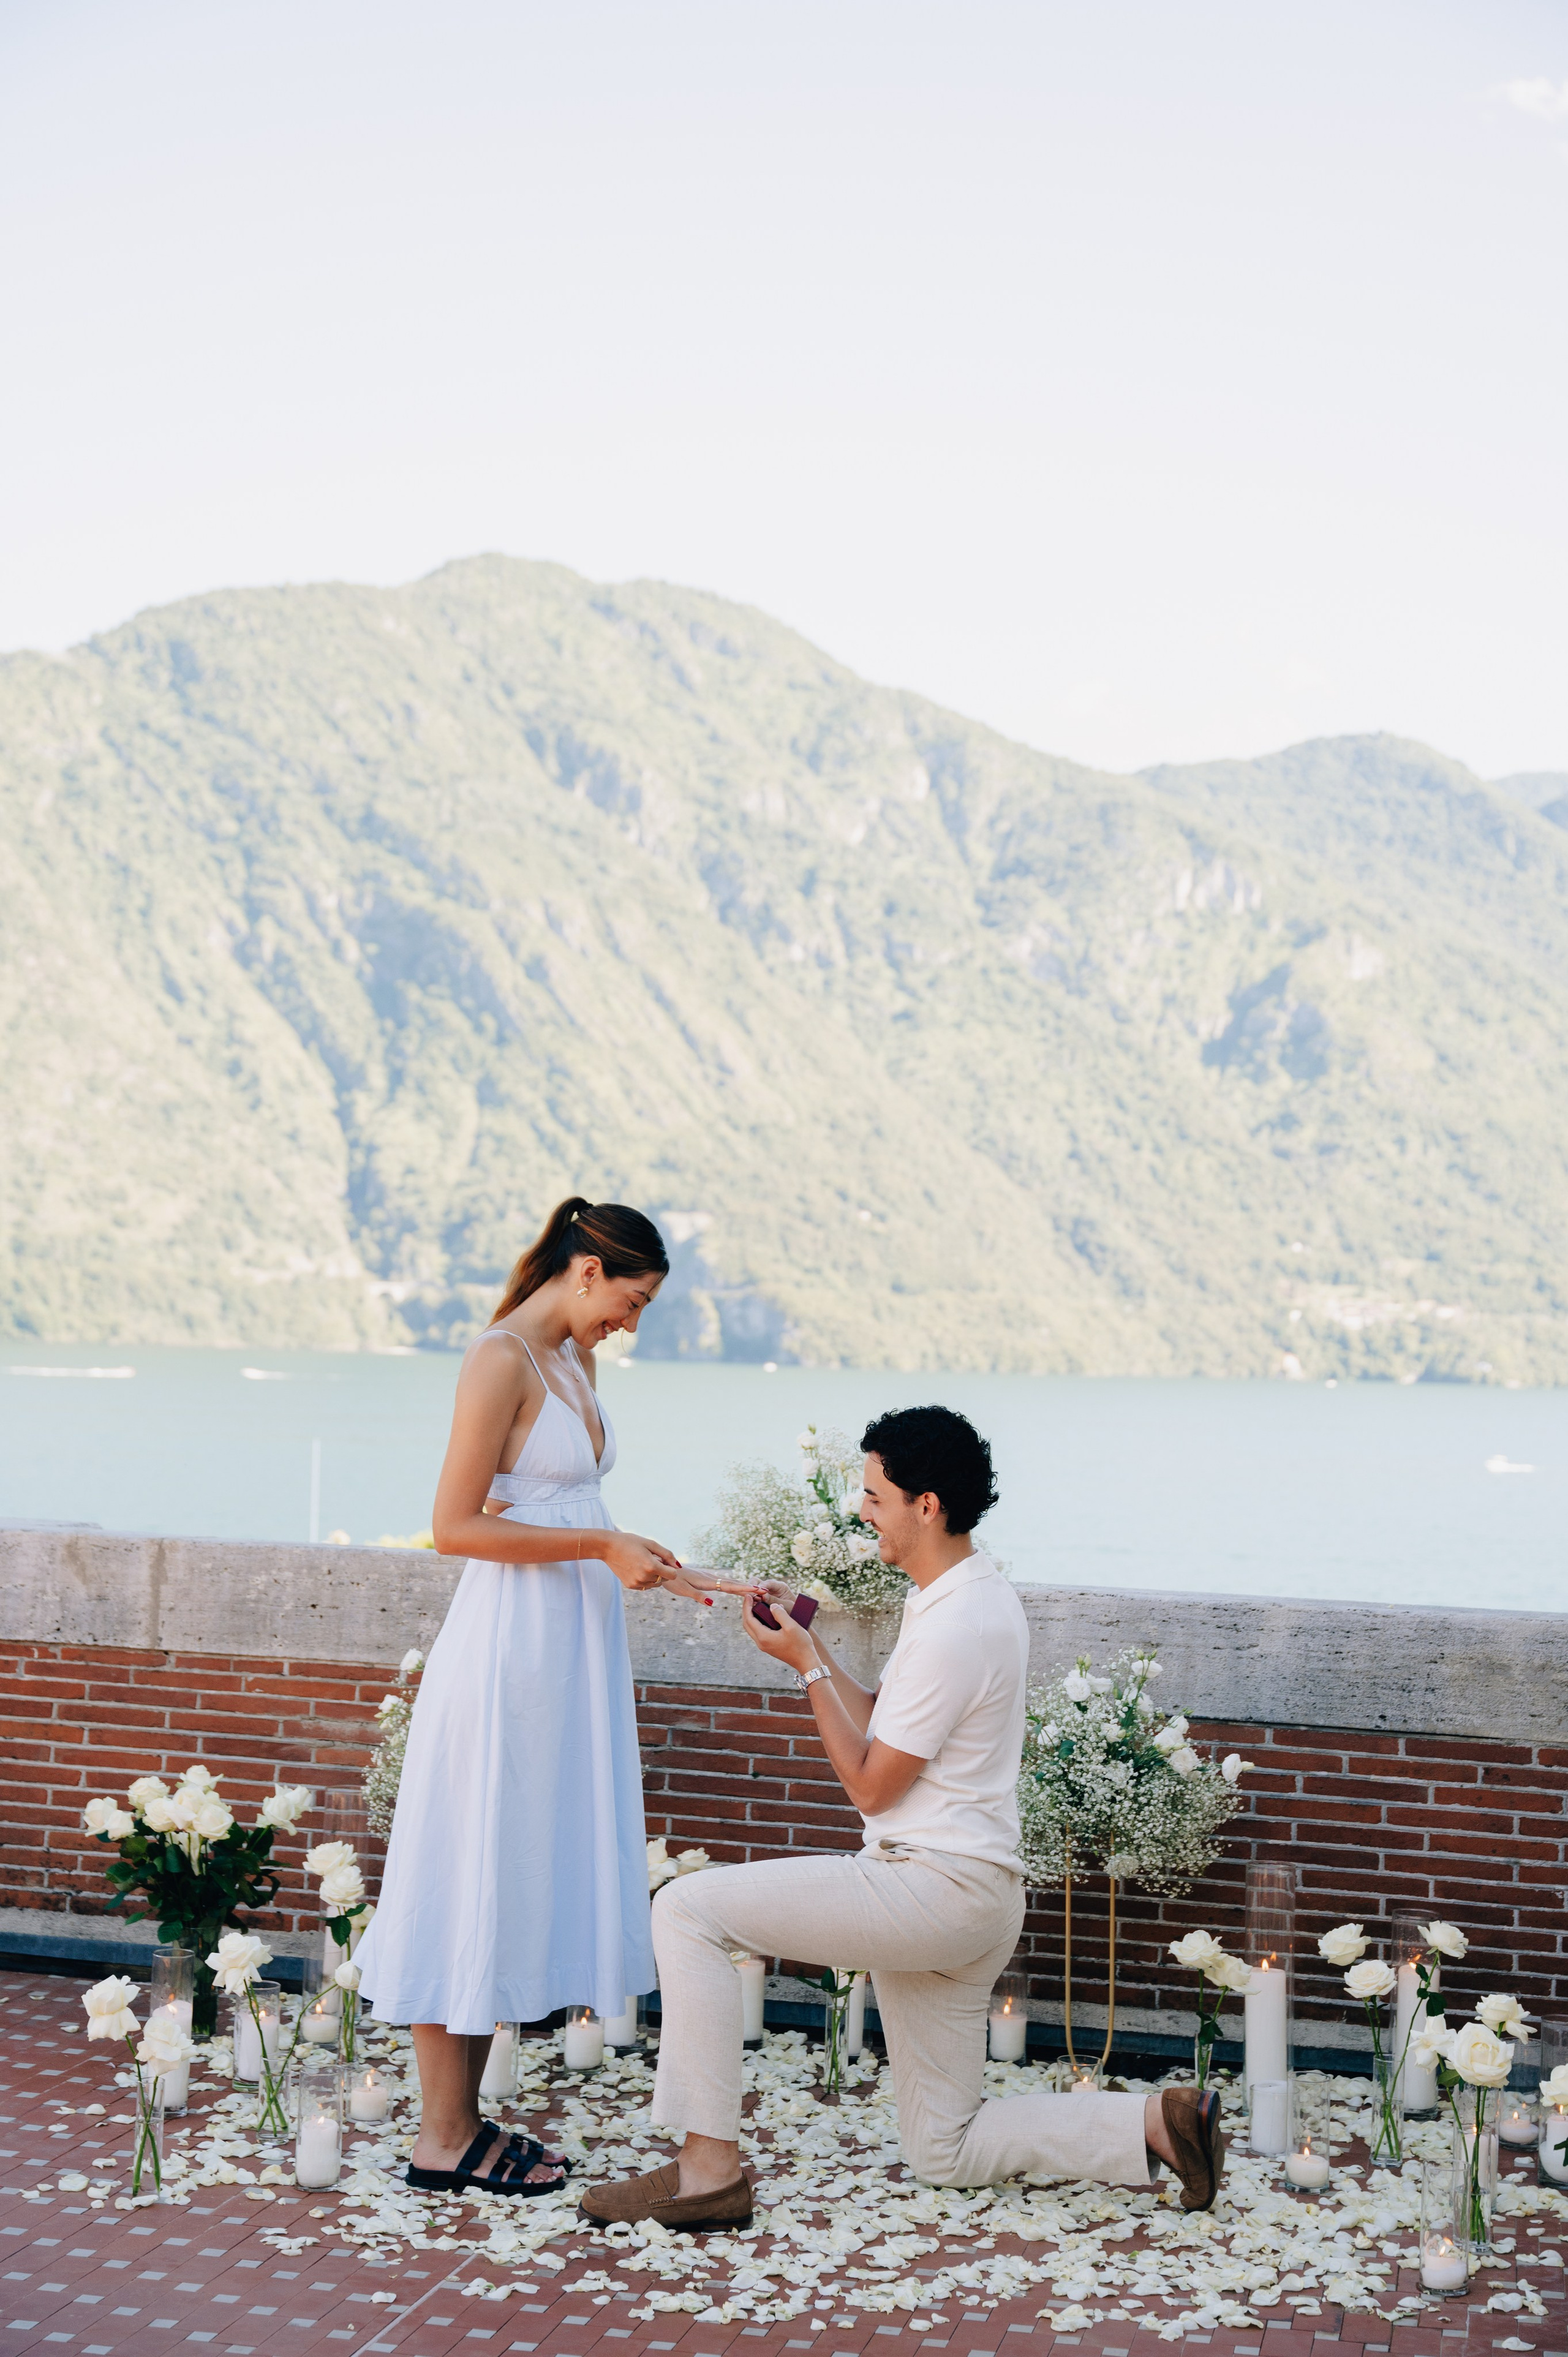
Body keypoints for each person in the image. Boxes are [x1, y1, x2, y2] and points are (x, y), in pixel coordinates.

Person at [582, 1404, 1224, 2229]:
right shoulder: (959, 1593)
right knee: (944, 2151)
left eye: (874, 1496)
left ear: (927, 1505)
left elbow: (871, 1787)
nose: (862, 1511)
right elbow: (887, 1721)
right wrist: (808, 1643)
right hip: (969, 1898)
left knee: (685, 1909)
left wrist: (805, 1669)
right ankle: (1161, 2124)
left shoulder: (960, 1622)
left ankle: (708, 2171)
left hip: (931, 1892)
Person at [355, 1197, 712, 2196]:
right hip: (507, 1653)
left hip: (567, 1659)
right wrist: (600, 1543)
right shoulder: (499, 1358)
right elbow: (455, 1526)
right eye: (631, 1302)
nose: (630, 1325)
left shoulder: (573, 1361)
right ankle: (439, 2140)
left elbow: (565, 1502)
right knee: (469, 1863)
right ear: (589, 1269)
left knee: (509, 1873)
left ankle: (463, 2125)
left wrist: (653, 1560)